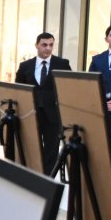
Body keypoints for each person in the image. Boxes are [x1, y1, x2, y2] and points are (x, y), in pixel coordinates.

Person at [15, 32, 71, 174]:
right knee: (31, 145)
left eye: (51, 45)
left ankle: (47, 179)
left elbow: (68, 87)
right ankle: (30, 173)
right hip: (30, 114)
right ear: (37, 45)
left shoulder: (62, 64)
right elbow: (18, 90)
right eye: (44, 45)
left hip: (53, 114)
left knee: (51, 148)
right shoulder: (25, 66)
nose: (48, 48)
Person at [86, 23, 111, 130]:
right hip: (102, 111)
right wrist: (101, 104)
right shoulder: (97, 60)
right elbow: (90, 86)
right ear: (106, 39)